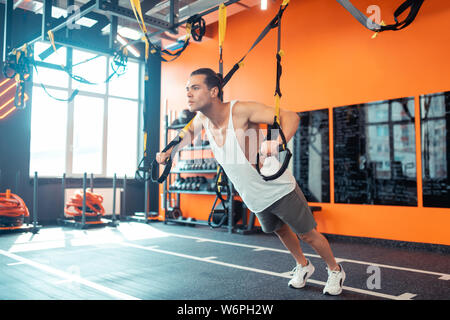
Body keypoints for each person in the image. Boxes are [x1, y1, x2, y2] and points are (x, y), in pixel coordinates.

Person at [156, 68, 346, 295]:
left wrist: (277, 143)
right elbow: (185, 135)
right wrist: (169, 151)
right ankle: (303, 265)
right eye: (187, 89)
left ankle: (335, 270)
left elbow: (291, 117)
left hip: (277, 187)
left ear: (214, 91)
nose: (188, 93)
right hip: (252, 194)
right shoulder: (202, 119)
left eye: (195, 88)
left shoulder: (241, 111)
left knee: (307, 234)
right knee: (280, 231)